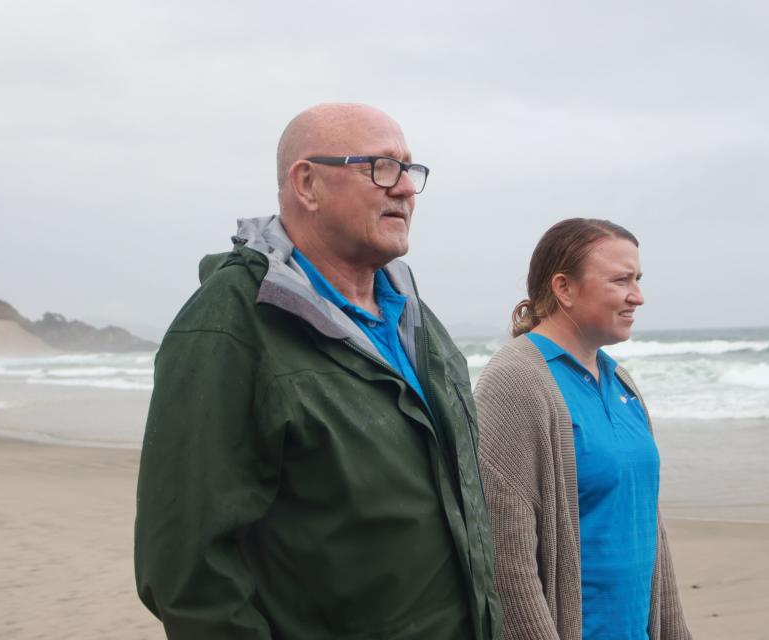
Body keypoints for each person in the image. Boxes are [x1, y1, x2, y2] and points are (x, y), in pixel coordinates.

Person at [134, 103, 501, 640]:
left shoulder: (417, 322)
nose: (404, 188)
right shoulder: (229, 327)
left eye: (410, 170)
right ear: (307, 184)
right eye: (381, 167)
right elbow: (188, 575)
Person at [474, 218, 691, 640]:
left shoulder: (621, 380)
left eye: (638, 279)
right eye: (621, 280)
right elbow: (504, 560)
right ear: (564, 288)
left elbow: (648, 529)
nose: (638, 297)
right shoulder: (516, 381)